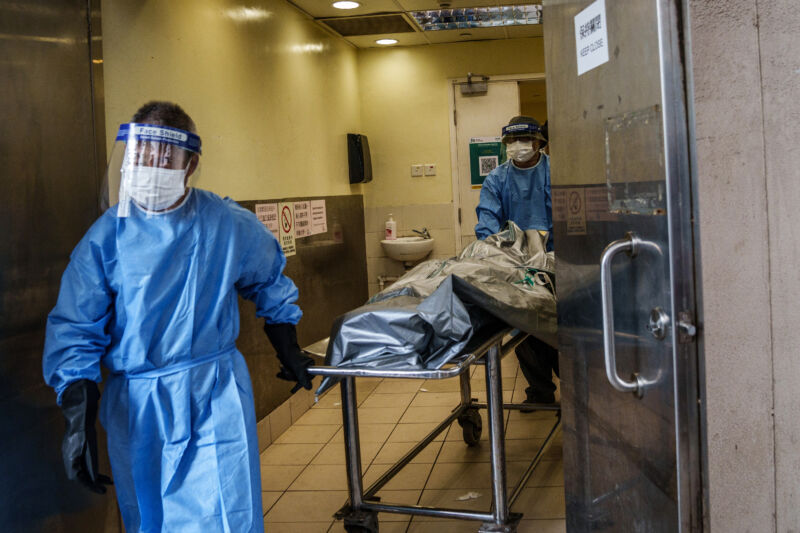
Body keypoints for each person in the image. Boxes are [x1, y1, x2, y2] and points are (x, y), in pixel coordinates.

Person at [42, 101, 313, 532]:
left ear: (190, 165)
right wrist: (79, 415)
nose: (152, 165)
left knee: (226, 511)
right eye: (143, 154)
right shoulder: (107, 237)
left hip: (214, 391)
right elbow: (76, 326)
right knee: (151, 515)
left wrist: (288, 344)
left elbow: (269, 277)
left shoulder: (226, 223)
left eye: (165, 158)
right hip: (138, 404)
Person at [474, 115, 559, 405]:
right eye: (512, 141)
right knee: (524, 328)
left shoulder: (555, 171)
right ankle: (540, 391)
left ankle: (575, 394)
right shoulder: (497, 179)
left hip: (556, 260)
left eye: (524, 140)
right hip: (516, 262)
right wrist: (497, 254)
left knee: (562, 326)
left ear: (538, 143)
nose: (518, 146)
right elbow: (487, 224)